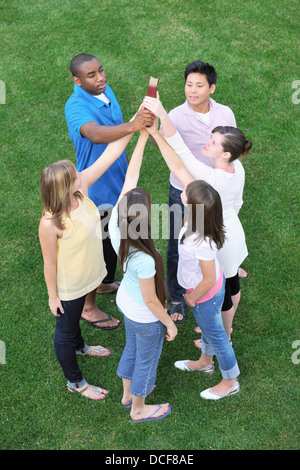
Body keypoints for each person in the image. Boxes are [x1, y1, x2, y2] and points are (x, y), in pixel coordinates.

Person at [38, 123, 148, 400]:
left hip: (91, 275)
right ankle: (75, 382)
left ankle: (81, 347)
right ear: (64, 187)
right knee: (65, 330)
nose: (80, 175)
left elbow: (110, 154)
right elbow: (49, 264)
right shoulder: (50, 223)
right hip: (71, 285)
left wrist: (137, 125)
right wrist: (53, 297)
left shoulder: (80, 192)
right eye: (75, 176)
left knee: (74, 323)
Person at [143, 96, 252, 347]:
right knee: (232, 284)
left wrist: (160, 124)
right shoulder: (236, 166)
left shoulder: (210, 177)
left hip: (220, 239)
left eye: (213, 142)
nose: (207, 143)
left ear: (225, 153)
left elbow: (180, 159)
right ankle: (227, 329)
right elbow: (237, 204)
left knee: (222, 292)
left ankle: (221, 337)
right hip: (233, 232)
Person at [151, 60, 246, 324]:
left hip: (202, 187)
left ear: (212, 88)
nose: (192, 90)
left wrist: (158, 124)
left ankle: (218, 282)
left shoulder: (225, 115)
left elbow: (180, 157)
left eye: (199, 85)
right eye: (188, 85)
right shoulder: (179, 116)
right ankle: (179, 294)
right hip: (183, 191)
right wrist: (163, 121)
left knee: (206, 241)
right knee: (177, 243)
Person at [65, 53, 154, 330]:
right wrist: (133, 126)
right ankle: (88, 308)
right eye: (91, 75)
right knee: (97, 248)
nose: (100, 77)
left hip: (118, 180)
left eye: (101, 70)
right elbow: (94, 132)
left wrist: (134, 123)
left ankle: (104, 284)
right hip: (97, 189)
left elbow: (114, 128)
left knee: (109, 242)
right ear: (77, 81)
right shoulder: (75, 105)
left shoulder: (105, 91)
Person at [108, 129, 178, 422]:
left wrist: (142, 138)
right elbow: (151, 300)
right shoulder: (145, 259)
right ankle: (138, 408)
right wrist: (168, 324)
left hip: (127, 303)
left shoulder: (115, 221)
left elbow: (130, 179)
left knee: (132, 349)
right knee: (146, 363)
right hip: (145, 315)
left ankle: (126, 396)